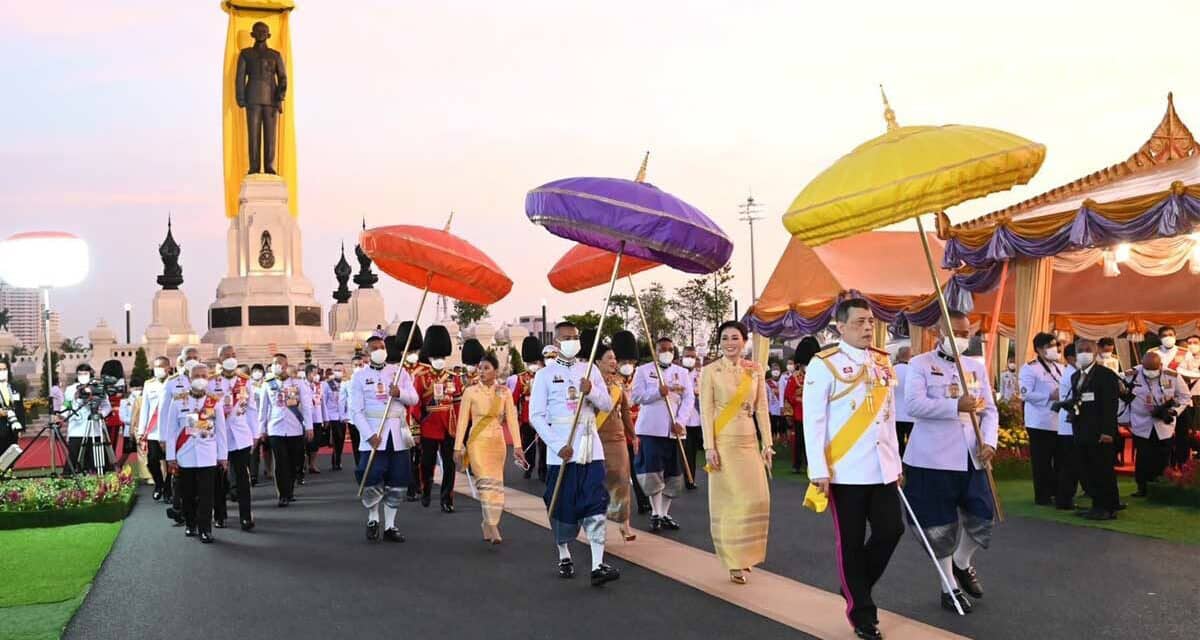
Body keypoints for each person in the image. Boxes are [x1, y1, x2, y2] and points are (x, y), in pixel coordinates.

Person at [802, 299, 903, 640]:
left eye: (870, 322)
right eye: (859, 322)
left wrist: (896, 463)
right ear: (840, 327)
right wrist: (819, 470)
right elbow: (814, 422)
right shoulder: (824, 364)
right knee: (850, 542)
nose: (866, 328)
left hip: (881, 468)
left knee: (892, 530)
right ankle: (863, 614)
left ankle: (853, 584)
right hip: (844, 471)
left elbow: (888, 419)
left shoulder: (883, 361)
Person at [902, 310, 998, 614]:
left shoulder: (976, 367)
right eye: (956, 332)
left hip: (971, 457)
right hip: (931, 459)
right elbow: (914, 405)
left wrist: (991, 442)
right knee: (939, 527)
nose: (962, 337)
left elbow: (990, 410)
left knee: (983, 517)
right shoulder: (920, 365)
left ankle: (961, 562)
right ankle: (949, 588)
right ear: (939, 333)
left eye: (966, 332)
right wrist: (954, 404)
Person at [529, 321, 619, 586]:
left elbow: (606, 404)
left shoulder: (589, 369)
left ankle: (597, 564)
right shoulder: (544, 375)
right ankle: (564, 552)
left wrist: (591, 391)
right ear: (557, 343)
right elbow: (536, 416)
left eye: (575, 337)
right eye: (566, 338)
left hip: (591, 447)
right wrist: (557, 446)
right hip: (562, 451)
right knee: (561, 504)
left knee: (595, 501)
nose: (571, 341)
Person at [701, 320, 773, 585]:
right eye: (724, 338)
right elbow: (706, 410)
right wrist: (709, 446)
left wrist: (767, 443)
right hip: (724, 444)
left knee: (758, 499)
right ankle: (733, 561)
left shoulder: (755, 370)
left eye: (734, 338)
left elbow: (762, 408)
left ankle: (746, 554)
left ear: (744, 341)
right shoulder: (710, 371)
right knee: (732, 503)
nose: (729, 343)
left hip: (749, 443)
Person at [350, 332, 419, 542]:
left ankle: (390, 525)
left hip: (397, 434)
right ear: (368, 352)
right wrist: (369, 435)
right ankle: (373, 518)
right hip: (373, 435)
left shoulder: (399, 373)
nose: (379, 350)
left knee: (397, 479)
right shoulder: (359, 377)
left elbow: (414, 398)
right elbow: (355, 411)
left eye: (381, 346)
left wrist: (399, 393)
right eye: (374, 348)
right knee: (370, 477)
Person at [454, 352, 524, 543]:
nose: (482, 371)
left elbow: (512, 420)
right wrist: (457, 447)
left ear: (496, 371)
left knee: (496, 485)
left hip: (497, 443)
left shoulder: (504, 392)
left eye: (486, 368)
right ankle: (493, 527)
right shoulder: (470, 392)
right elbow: (462, 421)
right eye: (480, 368)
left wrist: (517, 445)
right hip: (477, 443)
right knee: (485, 485)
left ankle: (487, 521)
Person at [632, 336, 695, 532]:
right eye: (662, 349)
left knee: (673, 475)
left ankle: (664, 513)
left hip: (674, 431)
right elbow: (636, 397)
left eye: (670, 349)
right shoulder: (643, 371)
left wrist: (681, 421)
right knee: (653, 474)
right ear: (655, 351)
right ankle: (655, 513)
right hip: (651, 430)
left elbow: (688, 399)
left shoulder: (682, 373)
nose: (666, 352)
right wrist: (658, 393)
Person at [162, 362, 228, 543]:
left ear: (209, 379)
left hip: (208, 454)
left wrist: (223, 456)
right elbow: (170, 430)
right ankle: (191, 524)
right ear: (189, 379)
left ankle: (205, 529)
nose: (200, 379)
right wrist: (170, 457)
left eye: (204, 376)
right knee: (188, 494)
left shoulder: (215, 401)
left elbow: (221, 430)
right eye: (196, 376)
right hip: (186, 454)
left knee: (207, 495)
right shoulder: (178, 400)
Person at [1063, 339, 1123, 520]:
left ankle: (1108, 507)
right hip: (1082, 430)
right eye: (1080, 350)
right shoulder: (1076, 376)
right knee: (1088, 470)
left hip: (1100, 432)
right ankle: (1097, 505)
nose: (1084, 353)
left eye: (1087, 349)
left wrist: (1108, 432)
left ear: (1095, 351)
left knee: (1103, 470)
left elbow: (1110, 406)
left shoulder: (1106, 375)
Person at [1125, 350, 1191, 496]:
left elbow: (1185, 397)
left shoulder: (1172, 376)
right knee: (1143, 457)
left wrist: (1174, 411)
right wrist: (1124, 418)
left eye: (1154, 369)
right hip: (1141, 423)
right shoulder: (1131, 375)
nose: (1150, 372)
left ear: (1160, 365)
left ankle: (1161, 487)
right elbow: (1120, 397)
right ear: (1142, 365)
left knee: (1163, 457)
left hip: (1164, 424)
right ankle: (1142, 488)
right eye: (1147, 369)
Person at [415, 325, 463, 512]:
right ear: (429, 356)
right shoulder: (421, 377)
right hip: (429, 426)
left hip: (449, 427)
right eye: (436, 357)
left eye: (441, 357)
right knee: (426, 465)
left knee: (449, 466)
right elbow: (416, 405)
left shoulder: (453, 378)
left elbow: (458, 404)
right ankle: (426, 489)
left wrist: (459, 428)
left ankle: (447, 499)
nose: (439, 361)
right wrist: (417, 428)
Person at [209, 346, 258, 531]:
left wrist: (255, 434)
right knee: (219, 479)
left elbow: (252, 409)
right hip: (218, 437)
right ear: (219, 358)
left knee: (243, 479)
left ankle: (246, 516)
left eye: (233, 355)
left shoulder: (245, 381)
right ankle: (220, 514)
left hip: (240, 436)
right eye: (226, 355)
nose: (230, 358)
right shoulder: (211, 381)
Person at [594, 341, 638, 541]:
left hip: (617, 437)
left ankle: (624, 523)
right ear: (597, 362)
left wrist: (633, 435)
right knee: (598, 481)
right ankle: (597, 524)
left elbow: (626, 412)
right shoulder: (590, 384)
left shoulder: (618, 384)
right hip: (595, 436)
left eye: (614, 358)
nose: (613, 362)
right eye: (609, 358)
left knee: (621, 479)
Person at [257, 353, 313, 507]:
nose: (278, 366)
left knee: (294, 461)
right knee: (281, 462)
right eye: (275, 363)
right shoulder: (267, 383)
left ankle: (290, 490)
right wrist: (261, 429)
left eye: (281, 363)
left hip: (295, 427)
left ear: (287, 365)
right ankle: (283, 494)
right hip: (275, 428)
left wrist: (309, 426)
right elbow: (263, 409)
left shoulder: (298, 383)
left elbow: (307, 406)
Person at [1019, 332, 1063, 506]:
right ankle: (1042, 496)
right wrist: (1049, 396)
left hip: (1059, 421)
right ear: (1039, 349)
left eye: (1055, 345)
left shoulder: (1059, 367)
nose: (1054, 349)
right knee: (1042, 462)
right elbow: (1025, 394)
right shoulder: (1030, 368)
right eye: (1050, 346)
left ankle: (1057, 491)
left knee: (1059, 460)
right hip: (1039, 422)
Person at [613, 334, 652, 514]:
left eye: (631, 360)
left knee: (639, 467)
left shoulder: (640, 376)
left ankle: (644, 501)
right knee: (619, 470)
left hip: (638, 428)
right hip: (618, 429)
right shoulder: (610, 379)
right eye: (623, 360)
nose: (628, 364)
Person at [64, 363, 113, 474]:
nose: (83, 376)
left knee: (96, 460)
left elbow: (107, 406)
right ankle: (69, 478)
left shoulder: (98, 387)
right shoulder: (70, 389)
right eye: (80, 373)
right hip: (76, 429)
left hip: (94, 429)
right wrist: (62, 415)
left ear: (90, 374)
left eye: (85, 373)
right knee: (73, 457)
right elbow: (67, 405)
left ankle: (99, 477)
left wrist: (101, 414)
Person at [1055, 343, 1083, 510]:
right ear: (1072, 358)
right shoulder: (1072, 375)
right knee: (1070, 465)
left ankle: (1066, 497)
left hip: (1071, 424)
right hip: (1070, 425)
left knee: (1071, 464)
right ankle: (1065, 499)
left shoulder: (1074, 372)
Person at [511, 336, 544, 479]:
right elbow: (514, 398)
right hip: (526, 416)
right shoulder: (521, 378)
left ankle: (543, 471)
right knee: (527, 446)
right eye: (530, 362)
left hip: (543, 415)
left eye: (534, 361)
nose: (533, 364)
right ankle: (529, 467)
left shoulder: (544, 375)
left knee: (543, 447)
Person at [786, 337, 820, 473]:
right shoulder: (795, 377)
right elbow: (789, 395)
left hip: (816, 413)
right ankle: (797, 464)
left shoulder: (819, 372)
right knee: (798, 441)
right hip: (800, 414)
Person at [680, 345, 704, 491]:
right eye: (687, 356)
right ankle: (686, 478)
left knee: (695, 451)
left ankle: (691, 478)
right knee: (685, 452)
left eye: (692, 356)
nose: (690, 359)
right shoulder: (677, 373)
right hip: (684, 420)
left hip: (699, 419)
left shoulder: (701, 375)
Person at [1176, 335, 1200, 466]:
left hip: (1198, 397)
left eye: (1195, 342)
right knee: (1188, 432)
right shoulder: (1184, 359)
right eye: (1189, 343)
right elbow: (1178, 371)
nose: (1192, 345)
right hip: (1188, 400)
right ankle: (1184, 462)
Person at [247, 363, 272, 484]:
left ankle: (269, 469)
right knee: (254, 450)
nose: (257, 373)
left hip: (267, 420)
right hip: (253, 421)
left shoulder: (268, 384)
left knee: (268, 448)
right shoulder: (248, 385)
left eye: (259, 371)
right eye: (255, 371)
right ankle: (253, 475)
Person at [324, 363, 348, 471]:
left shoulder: (346, 383)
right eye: (336, 370)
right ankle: (335, 460)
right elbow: (324, 401)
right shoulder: (328, 384)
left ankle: (338, 458)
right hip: (332, 415)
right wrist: (325, 417)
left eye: (340, 370)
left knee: (341, 439)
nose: (338, 372)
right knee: (336, 438)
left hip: (343, 415)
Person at [303, 364, 325, 477]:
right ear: (308, 374)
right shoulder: (302, 385)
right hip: (307, 418)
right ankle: (304, 464)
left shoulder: (320, 386)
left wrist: (326, 418)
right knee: (306, 442)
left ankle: (312, 464)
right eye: (314, 373)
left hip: (317, 417)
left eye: (318, 373)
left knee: (315, 443)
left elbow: (323, 403)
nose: (316, 376)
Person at [0, 362, 26, 457]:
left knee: (12, 453)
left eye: (4, 369)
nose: (2, 372)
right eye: (0, 369)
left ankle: (9, 471)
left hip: (13, 427)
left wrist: (21, 427)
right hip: (1, 425)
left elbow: (20, 407)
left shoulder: (14, 387)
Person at [342, 356, 363, 466]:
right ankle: (359, 465)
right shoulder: (347, 382)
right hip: (353, 418)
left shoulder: (368, 380)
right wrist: (343, 415)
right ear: (351, 367)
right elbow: (342, 400)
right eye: (356, 365)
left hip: (367, 417)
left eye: (360, 365)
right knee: (356, 443)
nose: (358, 367)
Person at [893, 346, 913, 457]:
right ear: (910, 356)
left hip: (896, 414)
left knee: (898, 442)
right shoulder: (913, 371)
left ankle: (900, 463)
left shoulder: (891, 370)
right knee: (912, 443)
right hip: (911, 414)